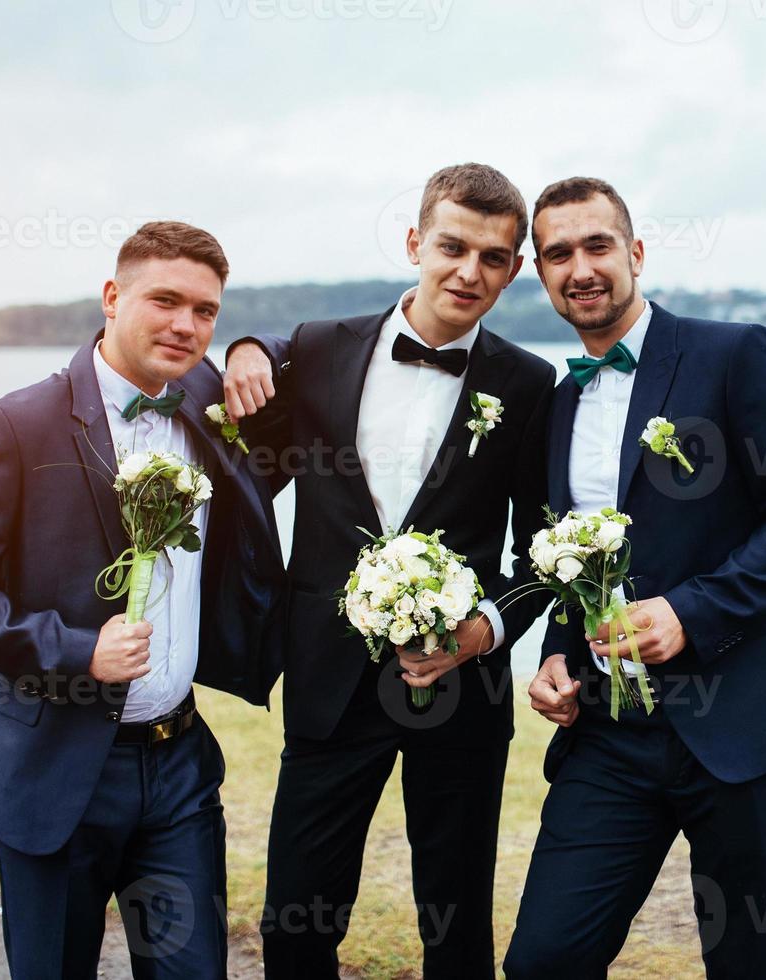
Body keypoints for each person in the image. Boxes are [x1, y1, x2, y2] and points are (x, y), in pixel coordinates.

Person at [0, 221, 286, 979]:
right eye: (165, 301)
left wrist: (257, 347)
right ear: (112, 297)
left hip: (179, 769)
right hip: (54, 768)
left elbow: (325, 354)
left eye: (206, 312)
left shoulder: (210, 397)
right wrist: (78, 651)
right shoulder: (17, 424)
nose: (185, 325)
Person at [503, 178, 766, 979]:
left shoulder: (736, 353)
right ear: (540, 273)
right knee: (541, 962)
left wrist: (689, 612)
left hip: (744, 723)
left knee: (748, 966)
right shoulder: (555, 406)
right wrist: (556, 653)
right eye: (558, 253)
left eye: (596, 245)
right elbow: (567, 564)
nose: (580, 267)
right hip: (608, 737)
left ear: (635, 252)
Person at [223, 163, 556, 979]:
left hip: (461, 690)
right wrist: (241, 345)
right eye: (451, 247)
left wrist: (484, 633)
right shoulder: (315, 349)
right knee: (295, 923)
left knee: (456, 927)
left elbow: (543, 550)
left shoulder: (527, 383)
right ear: (415, 242)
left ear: (513, 270)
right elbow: (241, 464)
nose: (467, 272)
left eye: (492, 257)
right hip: (329, 681)